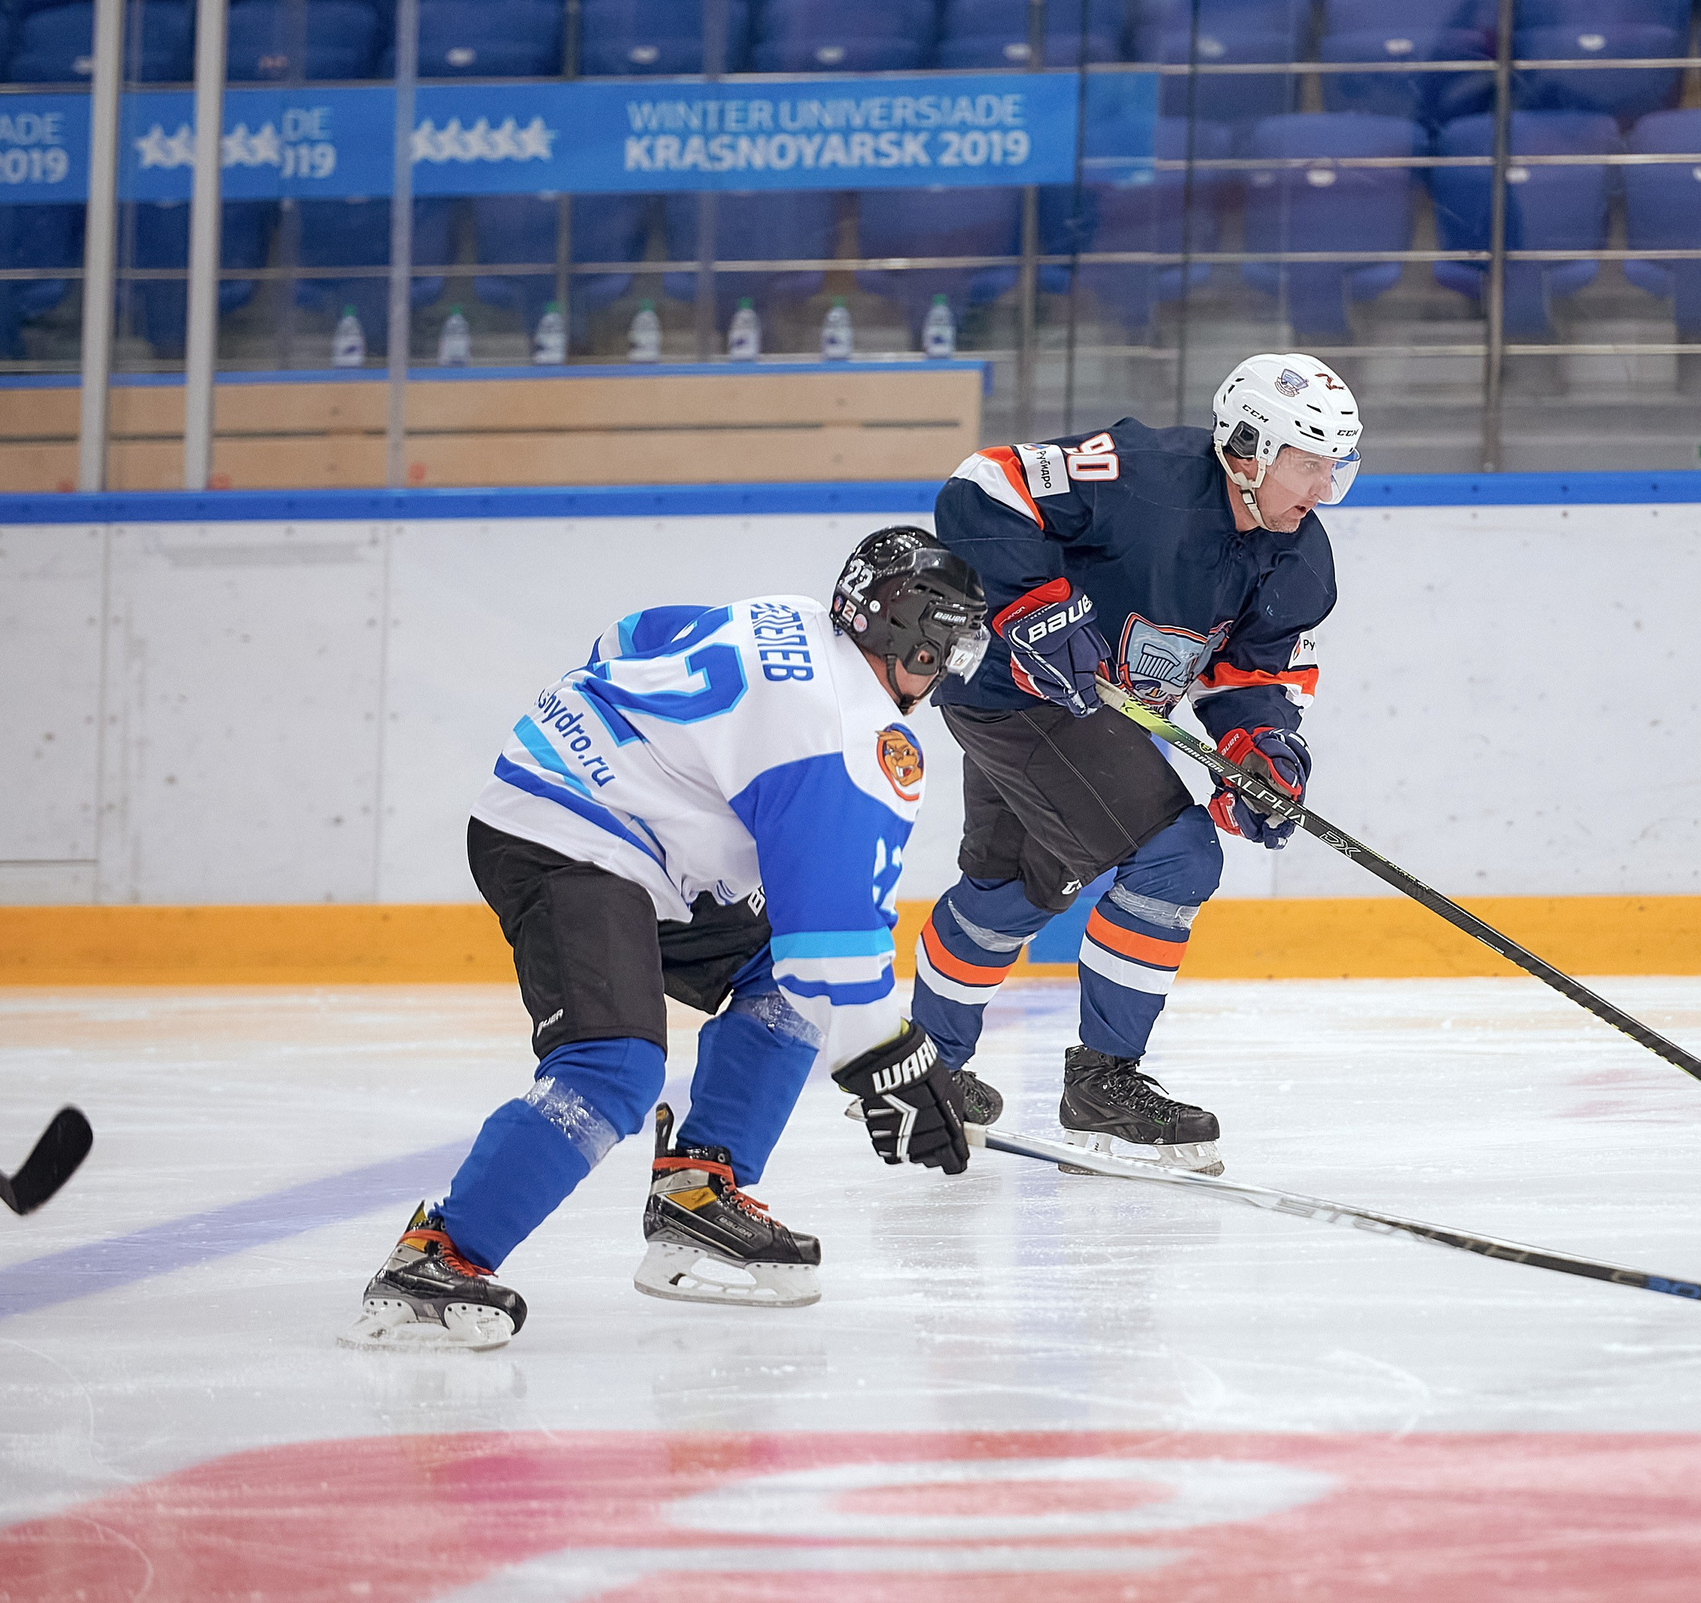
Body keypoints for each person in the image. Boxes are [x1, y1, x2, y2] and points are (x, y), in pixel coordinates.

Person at [340, 529, 991, 1351]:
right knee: (612, 1067)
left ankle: (697, 1191)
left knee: (775, 977)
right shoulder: (849, 738)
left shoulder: (789, 618)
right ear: (908, 630)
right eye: (951, 643)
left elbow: (631, 637)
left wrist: (633, 757)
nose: (949, 670)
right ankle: (438, 1256)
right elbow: (832, 947)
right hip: (566, 834)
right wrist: (891, 1068)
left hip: (624, 828)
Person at [912, 353, 1363, 1177]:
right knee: (1176, 856)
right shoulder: (1142, 473)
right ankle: (1103, 1085)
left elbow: (1255, 675)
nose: (1322, 488)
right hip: (1019, 692)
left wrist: (1256, 751)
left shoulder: (1300, 558)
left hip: (1073, 714)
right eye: (1307, 464)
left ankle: (927, 1071)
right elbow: (983, 486)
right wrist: (1032, 611)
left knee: (1009, 891)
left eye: (1336, 466)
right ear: (1248, 449)